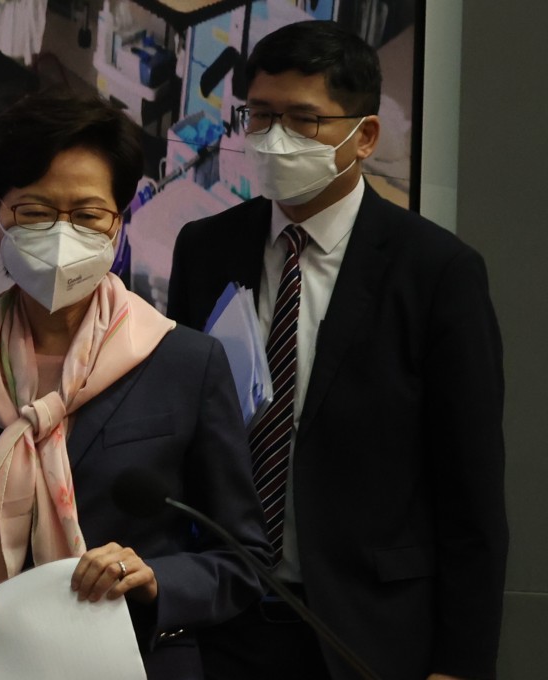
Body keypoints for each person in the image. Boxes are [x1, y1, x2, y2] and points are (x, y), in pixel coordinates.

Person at [0, 90, 271, 679]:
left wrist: (155, 578)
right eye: (35, 211)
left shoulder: (184, 360)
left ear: (119, 222)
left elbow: (244, 560)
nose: (61, 234)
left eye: (87, 215)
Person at [166, 20, 508, 680]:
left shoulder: (436, 271)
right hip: (222, 622)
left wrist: (461, 664)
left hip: (367, 630)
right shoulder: (204, 249)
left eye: (304, 120)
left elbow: (471, 492)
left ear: (365, 136)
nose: (275, 140)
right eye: (261, 115)